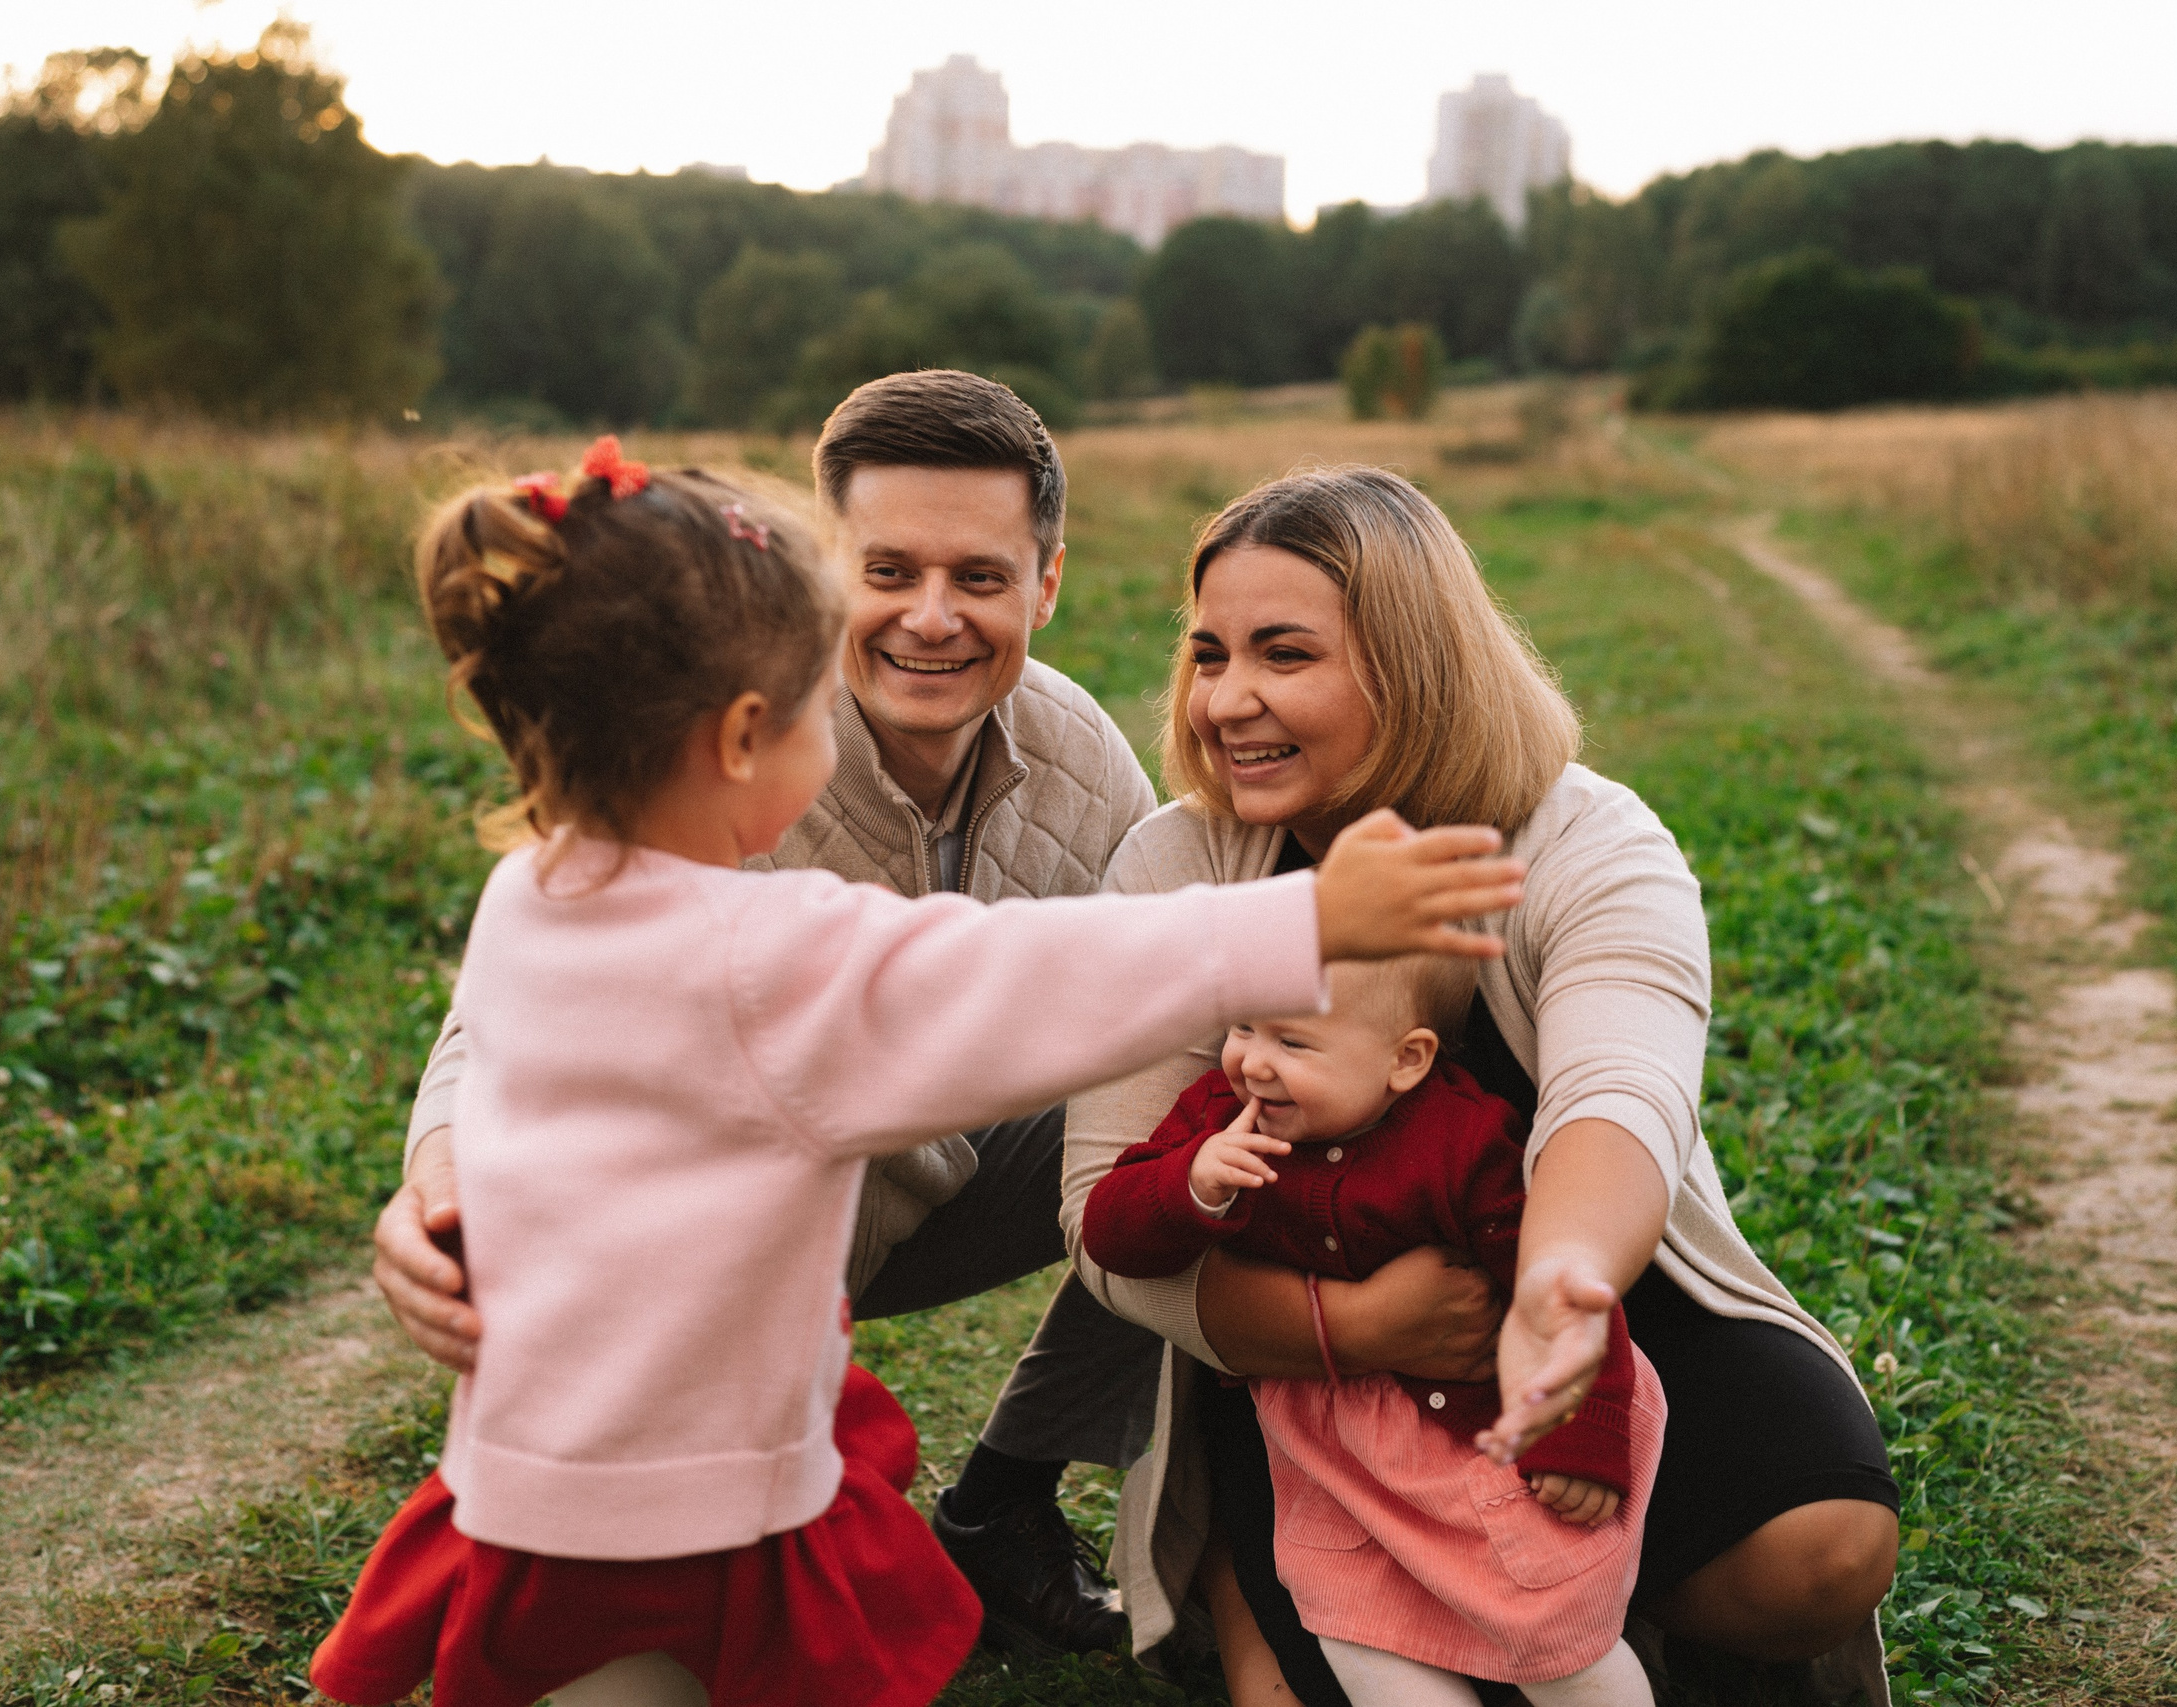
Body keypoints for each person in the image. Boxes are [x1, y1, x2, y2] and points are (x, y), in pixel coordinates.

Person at [310, 440, 1530, 1707]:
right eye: (811, 701)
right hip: (694, 1502)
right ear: (744, 738)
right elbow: (1023, 980)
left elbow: (498, 1052)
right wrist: (1311, 919)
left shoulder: (531, 894)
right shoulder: (761, 953)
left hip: (534, 1474)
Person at [1062, 466, 1902, 1707]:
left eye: (1284, 654)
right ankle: (1258, 1571)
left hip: (1582, 1316)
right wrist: (1357, 1328)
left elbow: (1620, 1097)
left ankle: (1556, 1597)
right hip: (1300, 1372)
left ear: (1412, 664)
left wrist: (1558, 1292)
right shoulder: (1177, 865)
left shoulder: (1586, 842)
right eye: (1208, 655)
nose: (1227, 699)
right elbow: (1102, 1206)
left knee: (1821, 1552)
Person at [371, 371, 1174, 1656]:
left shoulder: (1078, 751)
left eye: (979, 577)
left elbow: (1164, 969)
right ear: (822, 571)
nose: (931, 617)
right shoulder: (724, 751)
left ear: (1046, 584)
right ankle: (638, 1537)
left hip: (967, 1182)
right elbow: (510, 1009)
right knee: (689, 1625)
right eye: (887, 570)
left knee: (1218, 1107)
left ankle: (1013, 1500)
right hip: (739, 1242)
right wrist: (439, 1189)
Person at [1081, 957, 1664, 1707]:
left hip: (1469, 1443)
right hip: (1326, 1455)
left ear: (1406, 1059)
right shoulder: (1219, 1118)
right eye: (1242, 1027)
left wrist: (1581, 1429)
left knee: (1550, 1636)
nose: (1252, 1062)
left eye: (1293, 1042)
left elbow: (1559, 1286)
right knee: (1360, 1632)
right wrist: (1191, 1181)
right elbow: (1109, 1235)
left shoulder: (1463, 1138)